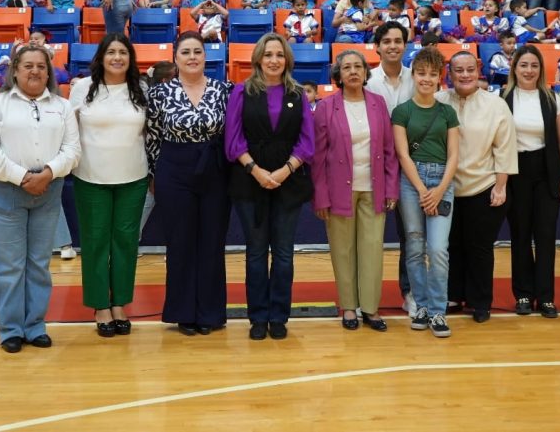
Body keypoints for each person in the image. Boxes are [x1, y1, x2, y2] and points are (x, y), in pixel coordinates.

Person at [0, 46, 80, 353]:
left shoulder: (62, 107)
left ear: (49, 73)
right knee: (10, 265)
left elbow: (72, 150)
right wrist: (23, 177)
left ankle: (35, 326)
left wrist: (47, 174)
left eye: (41, 67)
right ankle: (10, 329)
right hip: (8, 189)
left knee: (38, 264)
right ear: (16, 71)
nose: (35, 71)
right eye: (28, 66)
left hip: (49, 189)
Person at [226, 33, 314, 341]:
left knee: (284, 254)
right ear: (258, 60)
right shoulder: (241, 92)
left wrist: (284, 170)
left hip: (288, 181)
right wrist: (257, 170)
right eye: (268, 55)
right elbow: (233, 141)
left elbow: (307, 141)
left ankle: (279, 316)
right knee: (255, 253)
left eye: (279, 55)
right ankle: (257, 317)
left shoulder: (298, 93)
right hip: (250, 181)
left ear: (286, 59)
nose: (274, 60)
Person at [146, 32, 235, 336]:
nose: (193, 57)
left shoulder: (225, 90)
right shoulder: (160, 93)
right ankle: (183, 312)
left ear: (205, 56)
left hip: (215, 169)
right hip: (174, 169)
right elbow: (153, 136)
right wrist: (155, 174)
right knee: (181, 241)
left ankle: (210, 312)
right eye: (186, 52)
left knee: (212, 241)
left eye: (198, 51)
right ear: (176, 58)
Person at [69, 34, 150, 339]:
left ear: (130, 58)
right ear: (101, 57)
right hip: (91, 178)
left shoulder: (141, 88)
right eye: (111, 52)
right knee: (95, 243)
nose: (117, 57)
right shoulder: (81, 89)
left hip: (134, 177)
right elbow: (69, 131)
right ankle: (100, 306)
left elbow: (149, 133)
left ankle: (119, 304)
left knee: (126, 243)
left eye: (123, 52)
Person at [313, 49, 398, 332]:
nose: (352, 71)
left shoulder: (378, 103)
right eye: (346, 67)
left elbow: (389, 150)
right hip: (339, 190)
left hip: (374, 188)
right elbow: (319, 157)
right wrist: (321, 196)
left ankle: (371, 309)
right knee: (343, 250)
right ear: (338, 75)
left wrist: (391, 189)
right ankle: (349, 307)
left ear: (365, 72)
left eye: (357, 67)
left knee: (372, 249)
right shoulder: (326, 107)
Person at [438, 51, 518, 323]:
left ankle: (480, 300)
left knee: (480, 247)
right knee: (451, 245)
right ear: (449, 74)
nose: (464, 75)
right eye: (458, 70)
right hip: (446, 188)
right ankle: (453, 295)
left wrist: (501, 186)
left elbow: (505, 149)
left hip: (484, 186)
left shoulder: (496, 105)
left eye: (469, 69)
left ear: (479, 70)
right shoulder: (438, 101)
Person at [501, 46, 560, 318]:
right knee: (520, 236)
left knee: (545, 236)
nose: (529, 70)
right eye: (524, 65)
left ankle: (545, 297)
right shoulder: (502, 98)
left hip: (547, 171)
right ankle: (522, 294)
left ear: (541, 69)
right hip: (515, 171)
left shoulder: (553, 98)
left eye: (534, 65)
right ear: (515, 69)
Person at [393, 47, 460, 338]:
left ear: (439, 78)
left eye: (433, 74)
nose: (426, 79)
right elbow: (403, 155)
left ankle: (438, 311)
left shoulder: (447, 112)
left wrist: (439, 189)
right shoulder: (402, 111)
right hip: (411, 182)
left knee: (438, 249)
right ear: (414, 75)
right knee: (415, 245)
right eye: (421, 73)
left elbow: (455, 156)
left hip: (442, 181)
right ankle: (420, 306)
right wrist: (422, 190)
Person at [365, 21, 415, 314]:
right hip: (375, 167)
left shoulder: (417, 78)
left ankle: (409, 291)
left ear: (405, 45)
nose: (393, 46)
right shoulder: (368, 80)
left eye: (398, 41)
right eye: (387, 41)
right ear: (378, 46)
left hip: (411, 166)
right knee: (370, 235)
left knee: (410, 234)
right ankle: (364, 294)